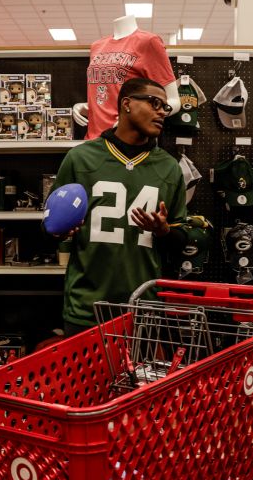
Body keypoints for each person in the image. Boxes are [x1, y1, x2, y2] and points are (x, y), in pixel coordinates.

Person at [54, 77, 188, 335]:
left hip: (144, 309)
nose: (162, 111)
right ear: (126, 104)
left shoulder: (169, 167)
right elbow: (50, 229)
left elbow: (181, 239)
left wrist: (164, 231)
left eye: (165, 107)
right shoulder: (80, 158)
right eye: (154, 103)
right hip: (86, 308)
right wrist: (60, 231)